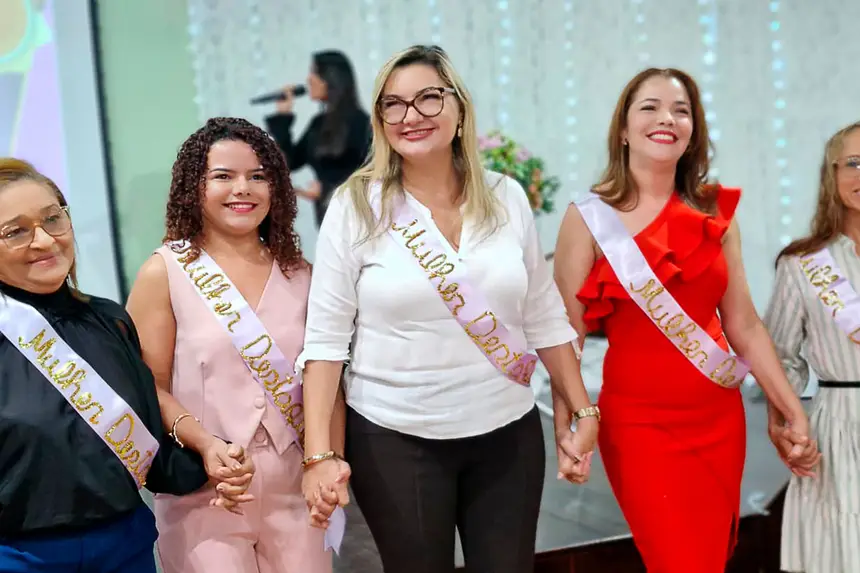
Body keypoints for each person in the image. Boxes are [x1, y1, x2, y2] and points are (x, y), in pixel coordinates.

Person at [298, 44, 597, 573]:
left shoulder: (506, 197)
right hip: (394, 437)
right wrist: (320, 456)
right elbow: (324, 341)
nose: (410, 115)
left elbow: (543, 314)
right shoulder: (356, 205)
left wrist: (582, 409)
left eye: (428, 98)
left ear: (459, 108)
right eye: (393, 104)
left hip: (507, 431)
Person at [553, 67, 820, 572]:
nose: (666, 119)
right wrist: (570, 421)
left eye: (681, 110)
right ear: (623, 128)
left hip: (719, 419)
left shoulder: (715, 213)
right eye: (649, 107)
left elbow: (744, 325)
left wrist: (790, 408)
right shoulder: (587, 218)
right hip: (639, 426)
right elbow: (566, 334)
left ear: (693, 130)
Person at [126, 117, 334, 573]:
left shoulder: (303, 275)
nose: (243, 189)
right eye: (223, 176)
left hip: (297, 490)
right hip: (207, 490)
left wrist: (328, 461)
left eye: (258, 176)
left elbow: (327, 379)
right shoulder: (165, 271)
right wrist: (204, 444)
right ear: (194, 187)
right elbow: (147, 386)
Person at [0, 158, 214, 572]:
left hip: (125, 546)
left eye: (52, 219)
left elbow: (149, 443)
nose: (44, 241)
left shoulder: (109, 320)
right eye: (16, 231)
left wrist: (210, 458)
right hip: (18, 556)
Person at [764, 120, 860, 573]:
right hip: (836, 429)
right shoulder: (803, 264)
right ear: (832, 173)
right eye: (854, 163)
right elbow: (780, 358)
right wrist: (788, 426)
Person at [266, 50, 372, 227]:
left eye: (314, 72)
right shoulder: (319, 124)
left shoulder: (361, 123)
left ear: (332, 78)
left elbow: (373, 173)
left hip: (358, 221)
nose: (309, 79)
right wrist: (283, 118)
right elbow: (289, 162)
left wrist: (327, 188)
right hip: (328, 220)